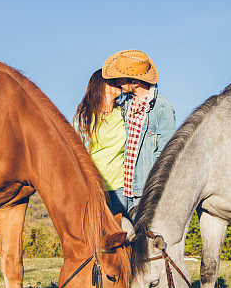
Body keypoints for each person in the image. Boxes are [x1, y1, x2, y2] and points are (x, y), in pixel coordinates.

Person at [101, 50, 175, 214]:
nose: (117, 82)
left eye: (120, 79)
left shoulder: (162, 109)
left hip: (144, 192)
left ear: (134, 82)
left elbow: (166, 156)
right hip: (122, 188)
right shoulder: (125, 104)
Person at [73, 69, 129, 215]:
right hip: (94, 188)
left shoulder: (124, 114)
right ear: (100, 85)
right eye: (111, 81)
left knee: (120, 233)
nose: (117, 83)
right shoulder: (86, 117)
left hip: (120, 188)